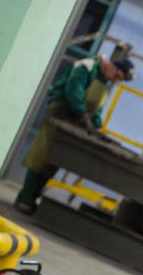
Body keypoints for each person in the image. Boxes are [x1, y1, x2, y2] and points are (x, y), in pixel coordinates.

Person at [14, 56, 135, 215]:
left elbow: (97, 108)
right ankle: (25, 198)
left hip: (77, 120)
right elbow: (74, 90)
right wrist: (83, 114)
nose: (114, 80)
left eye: (118, 80)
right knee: (42, 156)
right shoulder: (86, 68)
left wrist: (96, 125)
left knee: (55, 160)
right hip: (60, 113)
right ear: (112, 65)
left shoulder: (104, 83)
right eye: (116, 75)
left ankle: (34, 197)